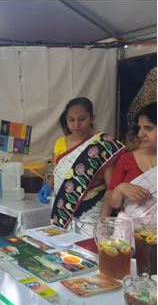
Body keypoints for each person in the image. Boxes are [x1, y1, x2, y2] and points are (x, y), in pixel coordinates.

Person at [38, 97, 125, 232]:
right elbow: (58, 172)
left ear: (92, 118)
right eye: (71, 120)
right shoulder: (60, 142)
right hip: (62, 209)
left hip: (91, 212)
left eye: (82, 119)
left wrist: (103, 222)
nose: (76, 124)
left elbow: (111, 187)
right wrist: (48, 185)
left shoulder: (104, 144)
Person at [103, 102, 157, 221]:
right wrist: (121, 189)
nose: (141, 134)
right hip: (130, 233)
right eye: (140, 128)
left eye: (148, 128)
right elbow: (111, 202)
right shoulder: (127, 159)